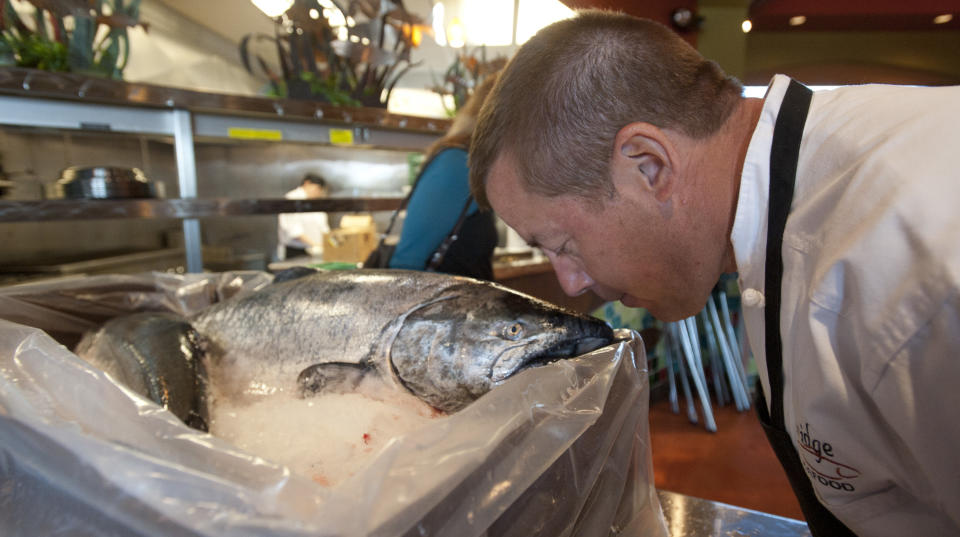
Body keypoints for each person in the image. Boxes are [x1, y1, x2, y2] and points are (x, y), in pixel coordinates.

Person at [468, 10, 959, 537]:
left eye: (563, 245)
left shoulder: (912, 274)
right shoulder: (788, 198)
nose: (570, 283)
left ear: (649, 165)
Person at [386, 74, 500, 280]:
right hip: (439, 307)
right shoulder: (456, 165)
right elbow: (406, 264)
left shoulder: (480, 166)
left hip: (462, 305)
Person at [277, 173, 330, 260]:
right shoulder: (292, 198)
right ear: (307, 183)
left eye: (321, 190)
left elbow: (324, 228)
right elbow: (293, 230)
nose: (318, 192)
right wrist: (315, 245)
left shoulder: (316, 202)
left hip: (316, 252)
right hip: (295, 252)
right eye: (317, 188)